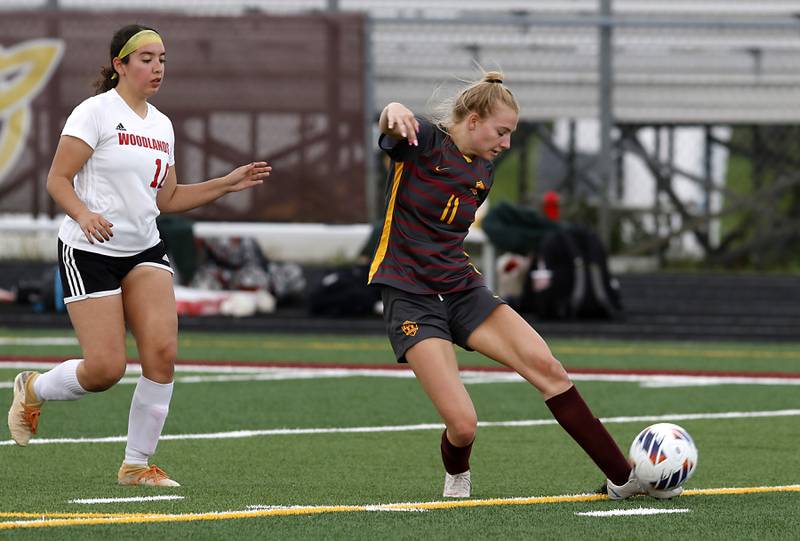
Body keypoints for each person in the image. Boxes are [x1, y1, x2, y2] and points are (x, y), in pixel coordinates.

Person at [369, 71, 678, 500]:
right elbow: (390, 125)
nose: (506, 143)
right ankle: (458, 475)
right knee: (462, 424)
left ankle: (624, 480)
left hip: (461, 289)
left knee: (548, 368)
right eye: (502, 131)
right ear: (473, 120)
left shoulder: (483, 170)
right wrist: (392, 111)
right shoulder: (421, 139)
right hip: (410, 295)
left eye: (511, 133)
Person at [6, 24, 271, 487]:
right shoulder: (94, 113)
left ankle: (136, 464)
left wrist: (227, 183)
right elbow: (57, 180)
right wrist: (84, 215)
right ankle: (34, 386)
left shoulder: (161, 125)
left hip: (144, 248)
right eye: (146, 58)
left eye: (162, 59)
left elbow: (166, 198)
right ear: (119, 65)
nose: (157, 67)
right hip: (89, 250)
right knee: (106, 369)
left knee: (163, 354)